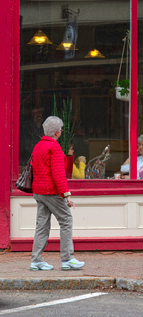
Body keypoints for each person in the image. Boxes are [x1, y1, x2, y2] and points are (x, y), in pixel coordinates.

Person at [29, 116, 85, 271]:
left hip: (39, 191)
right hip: (51, 192)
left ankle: (36, 260)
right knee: (66, 220)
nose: (61, 132)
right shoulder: (54, 148)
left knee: (42, 225)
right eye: (60, 130)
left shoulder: (38, 146)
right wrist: (66, 195)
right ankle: (68, 259)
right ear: (57, 133)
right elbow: (58, 174)